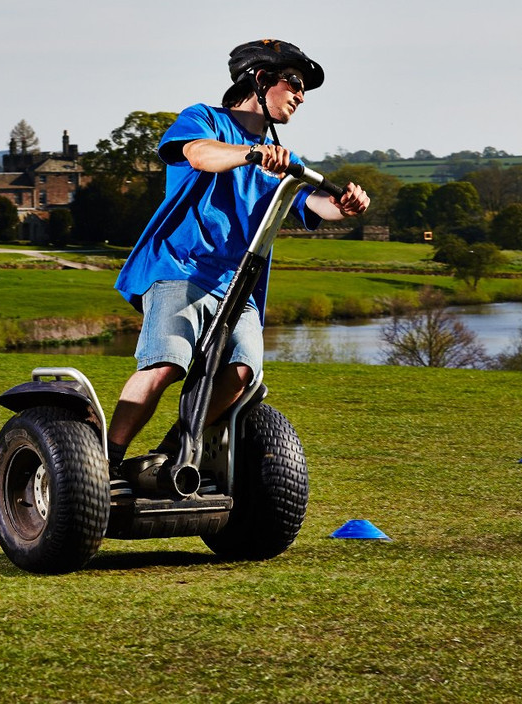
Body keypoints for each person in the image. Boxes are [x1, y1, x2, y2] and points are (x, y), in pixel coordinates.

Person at [107, 39, 370, 475]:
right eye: (295, 83)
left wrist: (341, 207)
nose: (301, 96)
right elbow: (198, 154)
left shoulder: (283, 159)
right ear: (262, 79)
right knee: (166, 365)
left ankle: (170, 453)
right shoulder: (205, 120)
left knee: (244, 372)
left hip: (238, 287)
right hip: (181, 270)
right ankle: (105, 458)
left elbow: (309, 204)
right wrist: (250, 154)